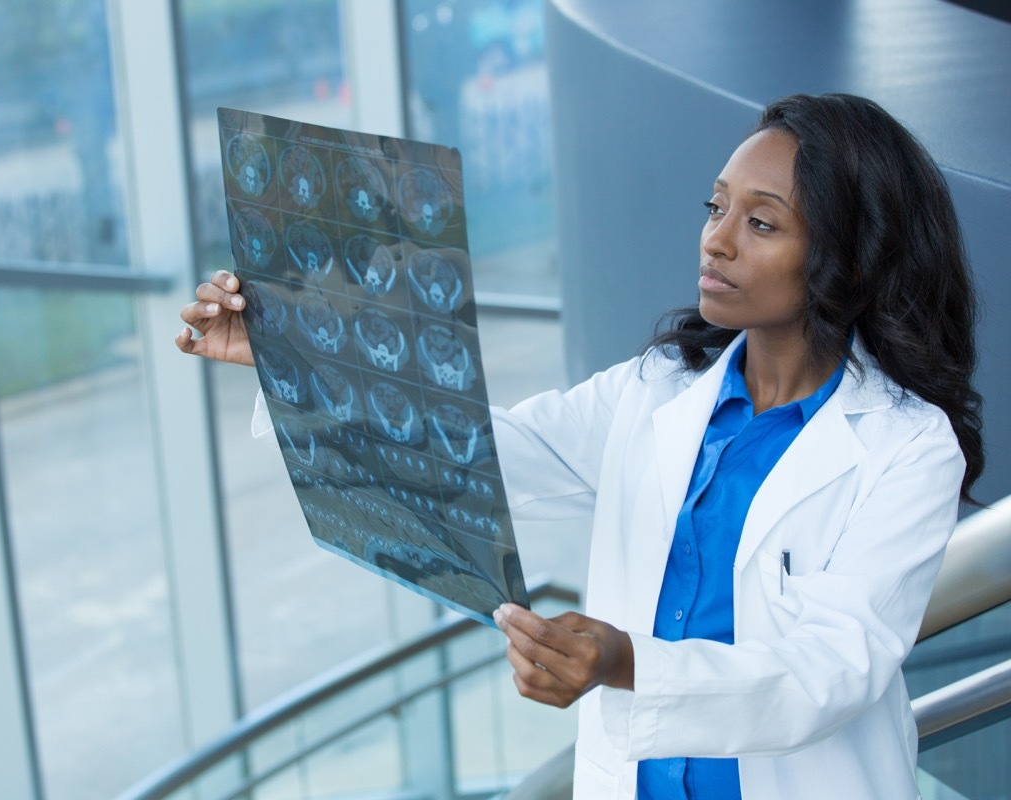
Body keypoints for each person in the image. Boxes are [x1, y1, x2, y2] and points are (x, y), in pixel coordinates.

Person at [176, 93, 983, 799]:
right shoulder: (660, 386)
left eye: (761, 223)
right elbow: (479, 453)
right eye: (715, 208)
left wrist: (623, 660)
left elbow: (830, 673)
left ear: (846, 255)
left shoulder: (908, 448)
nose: (717, 241)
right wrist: (294, 355)